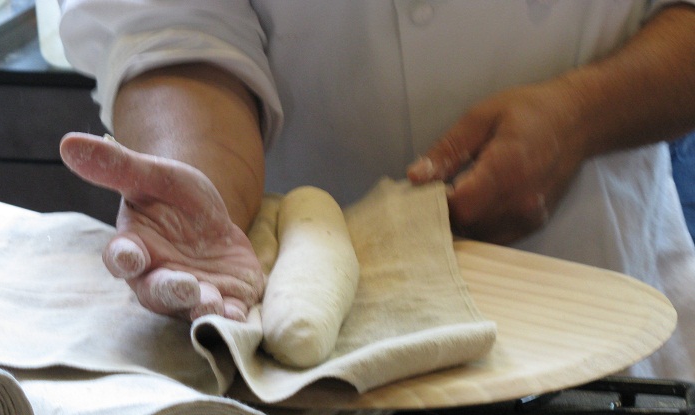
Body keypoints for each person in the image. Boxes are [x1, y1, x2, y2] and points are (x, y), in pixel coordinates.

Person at [56, 1, 695, 381]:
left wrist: (580, 115)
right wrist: (194, 181)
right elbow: (173, 24)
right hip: (275, 304)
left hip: (591, 273)